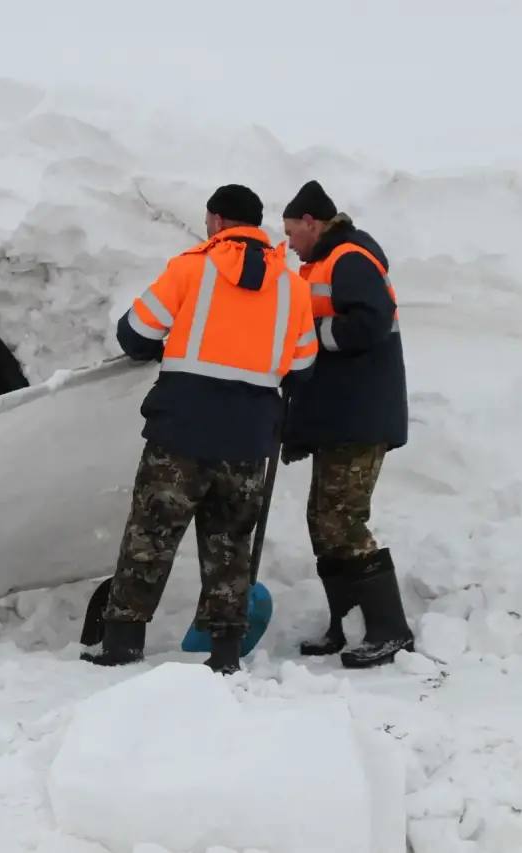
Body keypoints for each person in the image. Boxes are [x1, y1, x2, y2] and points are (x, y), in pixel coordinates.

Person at [83, 184, 318, 674]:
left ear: (215, 220)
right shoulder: (293, 288)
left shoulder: (191, 268)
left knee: (151, 534)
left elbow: (136, 334)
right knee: (230, 542)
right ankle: (225, 650)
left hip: (181, 433)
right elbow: (303, 366)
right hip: (250, 438)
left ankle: (123, 641)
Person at [280, 180, 414, 668]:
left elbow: (370, 323)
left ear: (312, 223)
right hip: (339, 416)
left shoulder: (350, 258)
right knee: (323, 520)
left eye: (292, 231)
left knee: (342, 520)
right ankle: (350, 624)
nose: (289, 242)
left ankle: (388, 630)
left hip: (359, 416)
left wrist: (312, 336)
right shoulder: (323, 262)